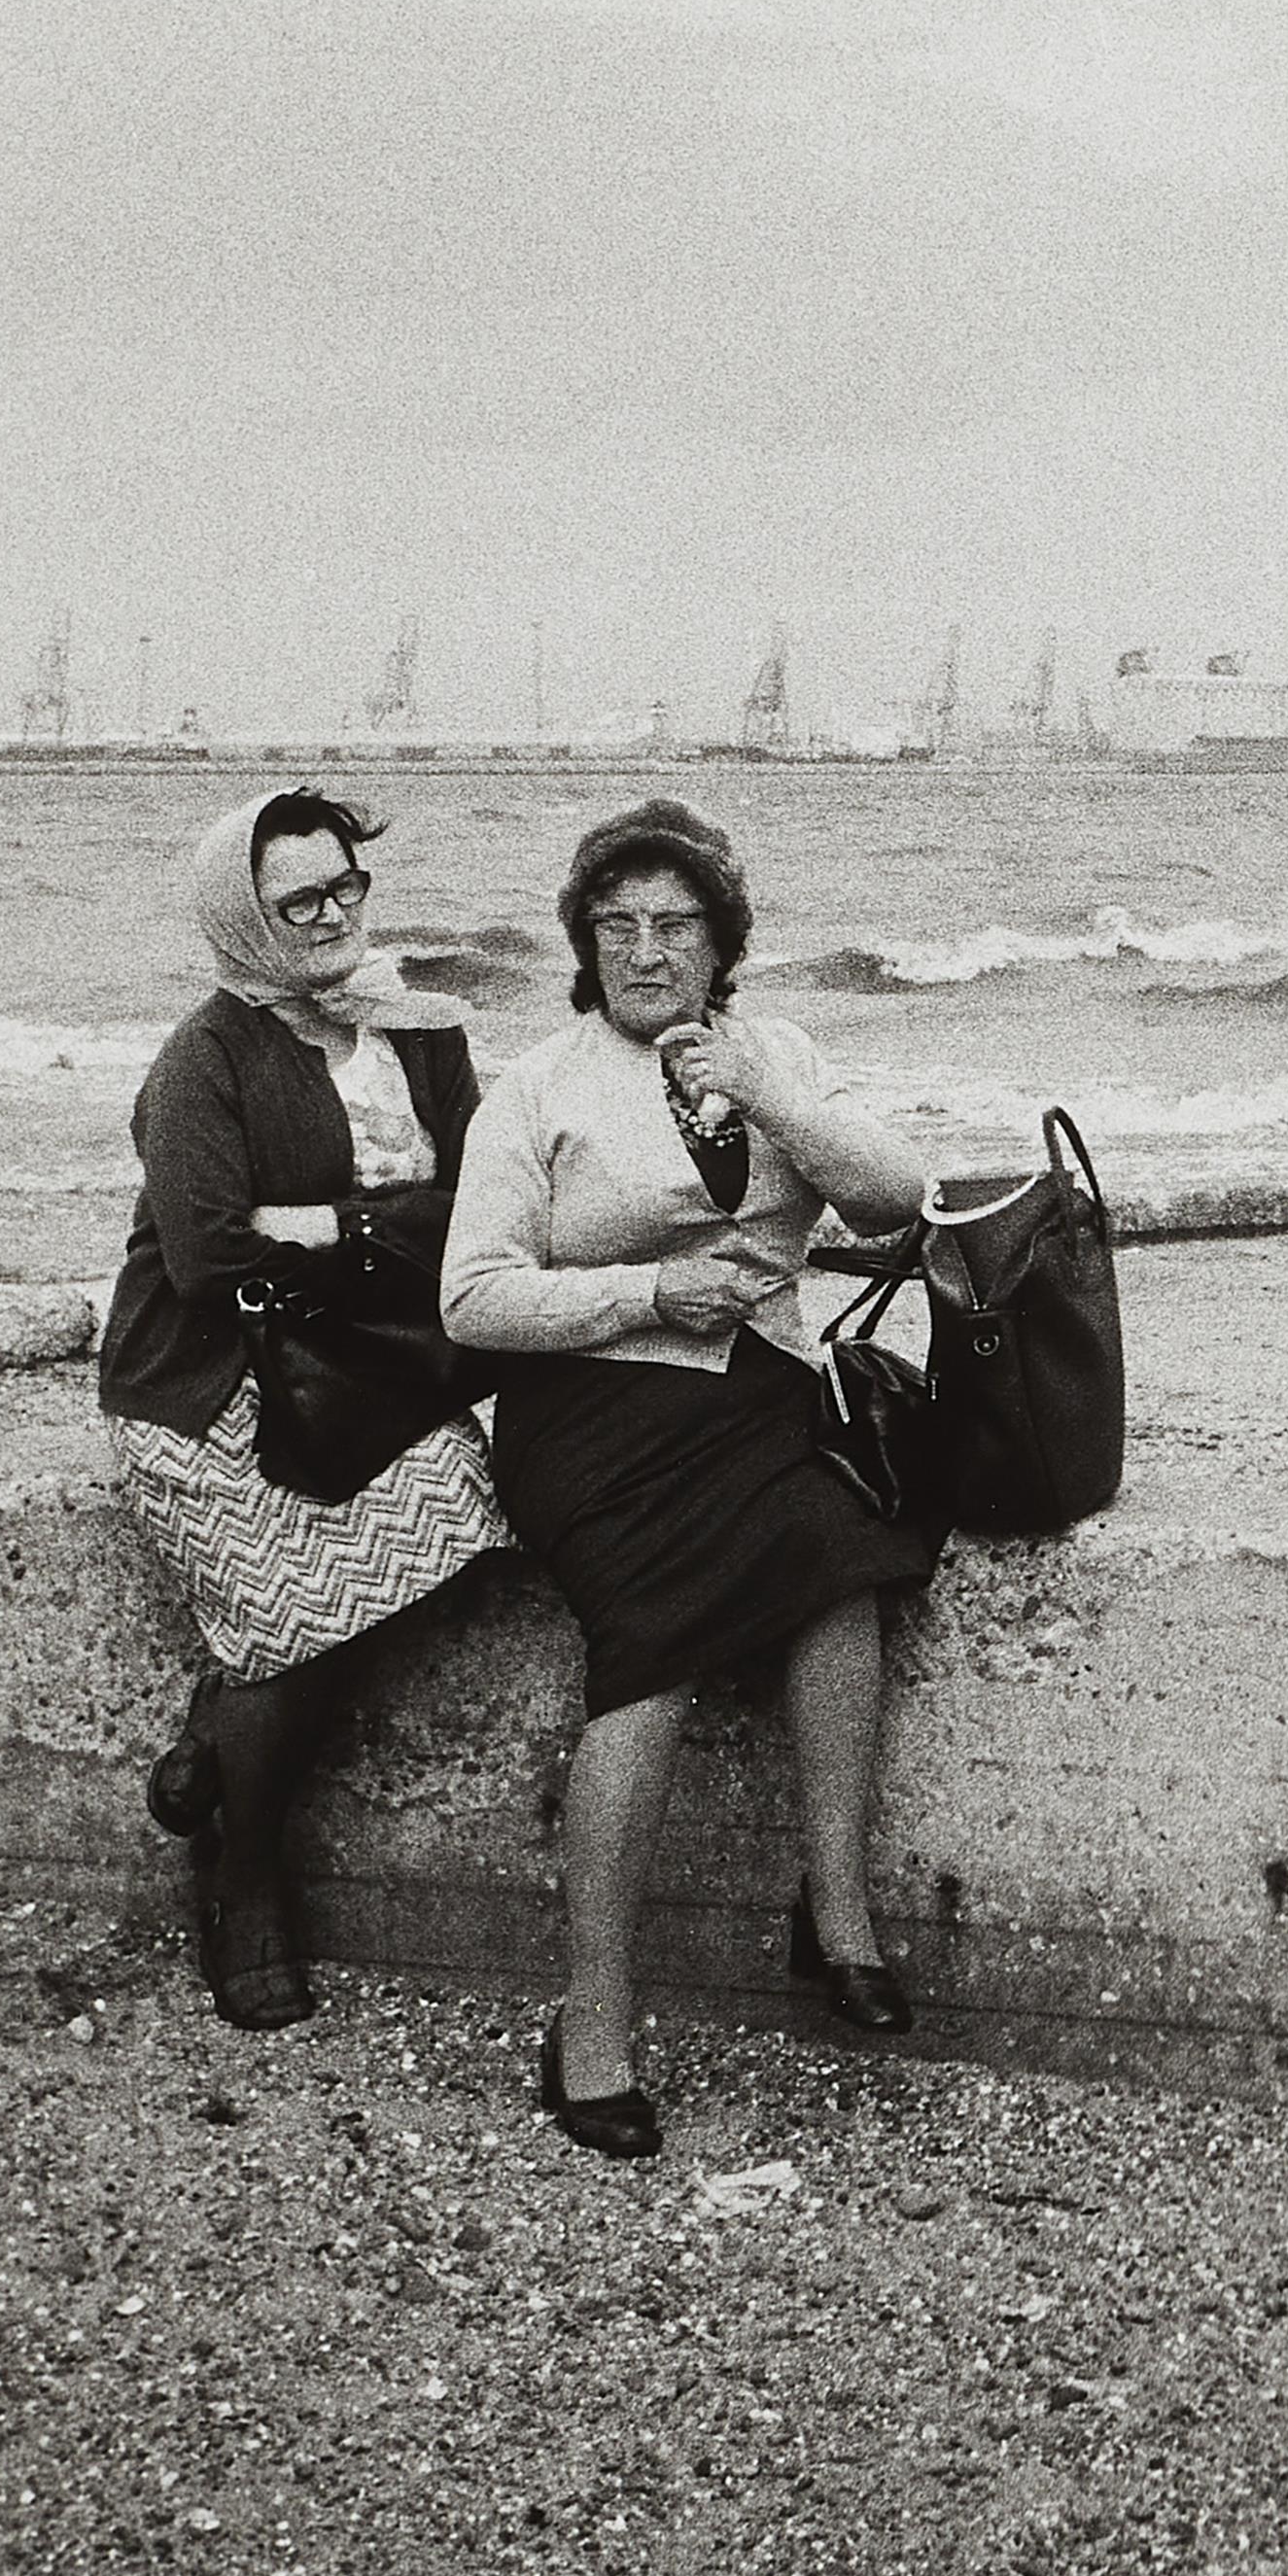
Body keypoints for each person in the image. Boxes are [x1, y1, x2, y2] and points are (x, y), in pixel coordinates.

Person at [441, 800, 939, 2158]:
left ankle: (833, 1912)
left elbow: (900, 1195)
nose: (645, 950)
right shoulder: (539, 1087)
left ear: (721, 944)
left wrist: (763, 1089)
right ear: (583, 943)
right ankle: (590, 2021)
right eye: (618, 926)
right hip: (590, 1413)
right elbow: (473, 1297)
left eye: (675, 925)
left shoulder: (776, 1051)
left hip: (757, 1400)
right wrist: (651, 1286)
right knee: (649, 1660)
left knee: (845, 1570)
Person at [98, 792, 510, 2030]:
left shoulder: (420, 1029)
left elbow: (492, 1200)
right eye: (300, 901)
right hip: (207, 1385)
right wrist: (396, 1235)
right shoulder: (203, 1059)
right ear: (247, 915)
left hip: (367, 1370)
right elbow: (212, 1259)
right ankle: (246, 1873)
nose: (333, 916)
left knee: (471, 1498)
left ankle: (210, 1744)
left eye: (347, 888)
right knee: (296, 1614)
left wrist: (335, 1227)